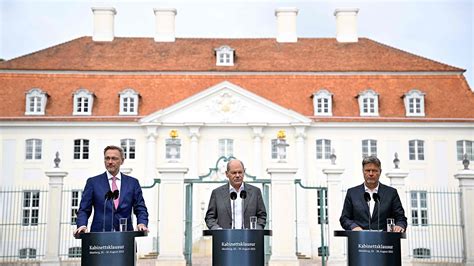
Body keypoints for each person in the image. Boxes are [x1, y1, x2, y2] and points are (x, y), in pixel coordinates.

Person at [73, 145, 149, 236]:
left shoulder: (133, 183)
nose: (110, 162)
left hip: (125, 237)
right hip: (99, 238)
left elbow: (140, 208)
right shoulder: (93, 182)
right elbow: (84, 209)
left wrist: (142, 223)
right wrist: (82, 225)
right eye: (107, 158)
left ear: (122, 161)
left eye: (114, 158)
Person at [340, 156, 407, 232]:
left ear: (380, 172)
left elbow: (401, 218)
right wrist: (354, 227)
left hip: (385, 241)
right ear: (363, 171)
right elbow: (344, 218)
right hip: (359, 240)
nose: (371, 174)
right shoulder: (352, 193)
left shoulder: (391, 193)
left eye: (374, 170)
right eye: (368, 170)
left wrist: (399, 225)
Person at [205, 159, 267, 229]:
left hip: (250, 238)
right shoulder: (217, 193)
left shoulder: (255, 192)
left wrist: (256, 230)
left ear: (244, 172)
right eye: (234, 173)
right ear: (226, 174)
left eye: (240, 172)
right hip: (224, 238)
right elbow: (210, 218)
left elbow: (262, 216)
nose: (237, 175)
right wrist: (217, 230)